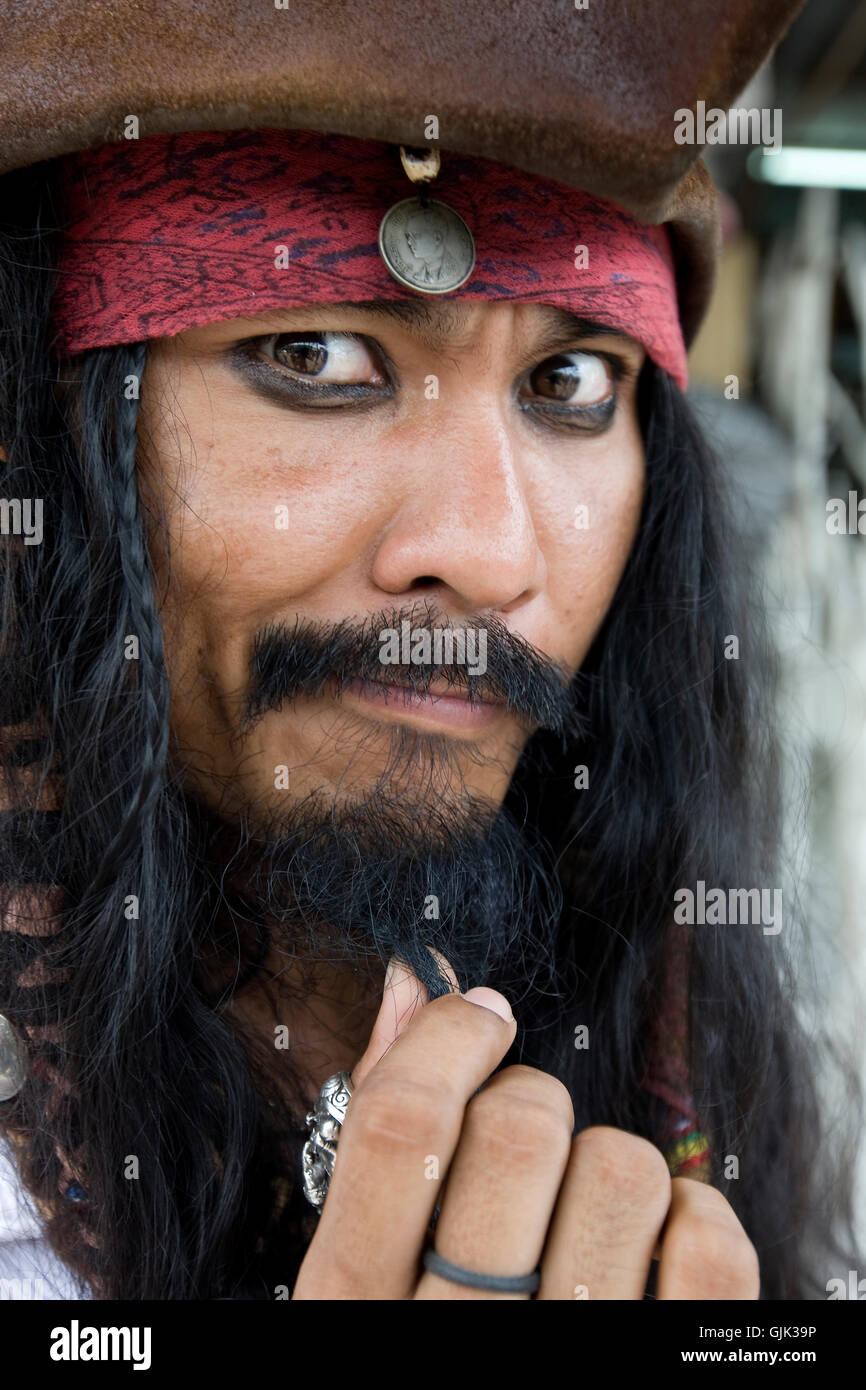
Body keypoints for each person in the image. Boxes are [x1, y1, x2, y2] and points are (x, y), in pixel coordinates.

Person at [0, 1, 859, 1302]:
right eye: (313, 354)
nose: (487, 550)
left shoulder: (711, 1061)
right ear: (47, 436)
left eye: (568, 385)